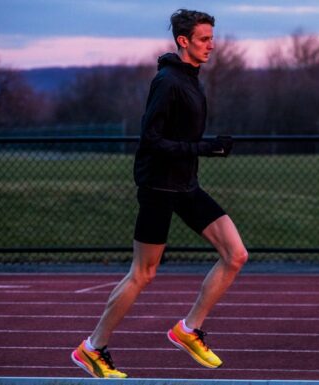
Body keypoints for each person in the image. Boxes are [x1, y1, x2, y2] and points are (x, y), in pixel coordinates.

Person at [71, 9, 248, 378]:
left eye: (212, 38)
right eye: (204, 39)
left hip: (185, 186)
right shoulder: (168, 81)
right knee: (143, 273)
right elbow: (151, 140)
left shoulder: (191, 79)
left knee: (235, 254)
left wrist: (206, 148)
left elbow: (181, 137)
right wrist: (202, 148)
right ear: (183, 41)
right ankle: (92, 348)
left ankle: (187, 329)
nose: (211, 45)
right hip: (158, 188)